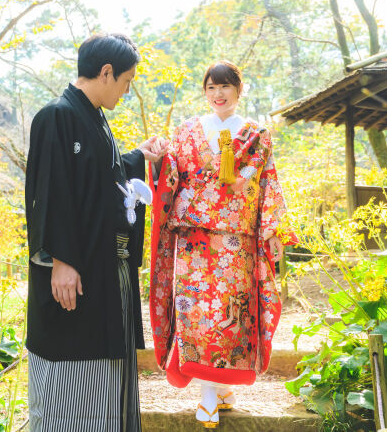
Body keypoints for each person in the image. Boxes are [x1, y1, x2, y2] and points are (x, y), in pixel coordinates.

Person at [25, 33, 165, 432]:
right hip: (78, 268)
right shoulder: (57, 115)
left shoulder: (94, 118)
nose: (125, 90)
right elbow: (50, 190)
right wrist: (62, 261)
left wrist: (138, 157)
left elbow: (99, 179)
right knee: (73, 374)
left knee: (107, 376)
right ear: (106, 72)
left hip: (105, 270)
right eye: (125, 82)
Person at [148, 60, 289, 428]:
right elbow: (172, 175)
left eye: (225, 87)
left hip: (235, 241)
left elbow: (268, 182)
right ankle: (208, 392)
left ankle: (223, 386)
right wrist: (159, 159)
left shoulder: (256, 134)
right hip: (195, 240)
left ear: (239, 90)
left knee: (232, 315)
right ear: (205, 91)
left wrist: (272, 231)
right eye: (211, 87)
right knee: (198, 313)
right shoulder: (187, 130)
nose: (218, 94)